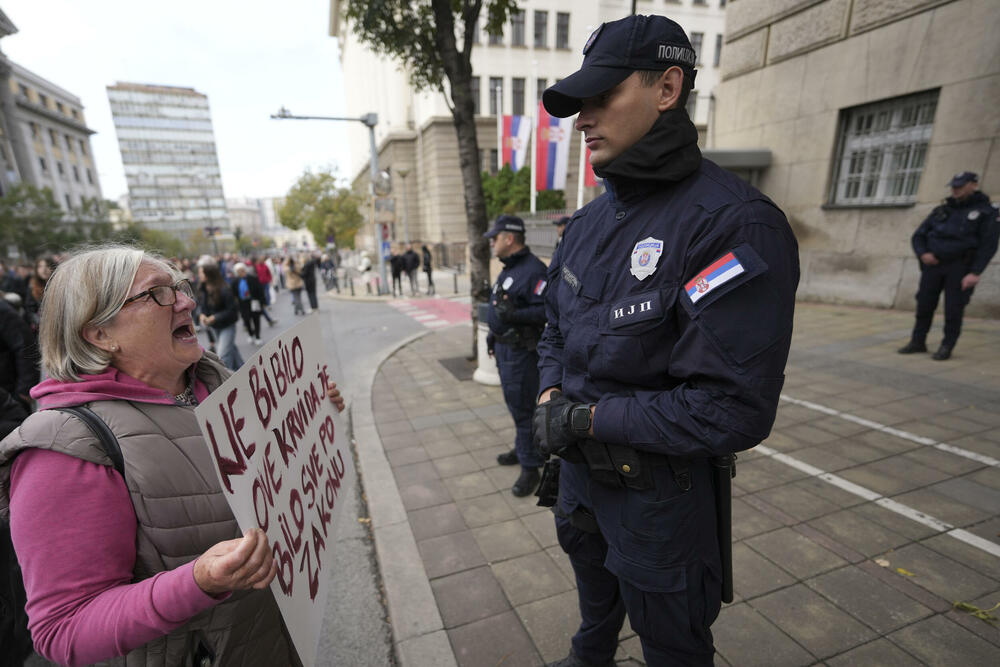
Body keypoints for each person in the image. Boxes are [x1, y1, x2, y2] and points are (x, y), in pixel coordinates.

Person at [533, 15, 799, 666]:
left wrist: (588, 416)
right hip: (578, 485)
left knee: (674, 646)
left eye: (602, 97)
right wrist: (547, 394)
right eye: (579, 104)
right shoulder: (588, 224)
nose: (584, 118)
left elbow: (729, 406)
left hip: (657, 505)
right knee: (595, 606)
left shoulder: (734, 223)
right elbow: (555, 327)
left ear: (667, 87)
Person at [0, 244, 346, 665]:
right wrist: (196, 582)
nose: (187, 300)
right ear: (99, 333)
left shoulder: (211, 377)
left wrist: (308, 410)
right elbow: (63, 629)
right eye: (158, 293)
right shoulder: (63, 450)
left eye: (179, 286)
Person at [898, 171, 998, 360]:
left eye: (960, 185)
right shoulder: (942, 210)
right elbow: (918, 236)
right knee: (924, 305)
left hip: (961, 267)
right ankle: (918, 341)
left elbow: (989, 245)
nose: (955, 189)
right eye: (953, 185)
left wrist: (976, 272)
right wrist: (923, 253)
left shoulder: (987, 212)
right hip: (933, 266)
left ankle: (947, 346)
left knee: (954, 309)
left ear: (973, 185)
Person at [484, 215, 549, 497]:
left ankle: (530, 467)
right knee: (516, 408)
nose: (491, 243)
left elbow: (546, 311)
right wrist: (491, 335)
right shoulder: (509, 268)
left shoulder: (533, 270)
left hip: (521, 353)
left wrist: (514, 315)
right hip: (504, 350)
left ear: (509, 239)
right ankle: (524, 447)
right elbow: (499, 304)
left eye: (494, 238)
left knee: (524, 410)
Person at [197, 260, 244, 371]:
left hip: (227, 326)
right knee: (231, 351)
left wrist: (215, 317)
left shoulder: (224, 289)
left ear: (209, 274)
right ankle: (244, 371)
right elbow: (202, 307)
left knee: (223, 355)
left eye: (201, 273)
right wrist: (202, 315)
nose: (199, 275)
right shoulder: (203, 288)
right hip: (215, 327)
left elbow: (232, 311)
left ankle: (227, 383)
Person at [231, 263, 265, 346]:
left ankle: (257, 336)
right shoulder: (235, 281)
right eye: (239, 271)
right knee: (246, 320)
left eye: (242, 270)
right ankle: (251, 334)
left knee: (256, 319)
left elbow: (260, 290)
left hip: (254, 302)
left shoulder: (252, 278)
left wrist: (262, 302)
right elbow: (233, 294)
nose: (241, 272)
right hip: (243, 304)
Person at [251, 255, 277, 327]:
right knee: (255, 311)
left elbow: (268, 273)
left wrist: (269, 279)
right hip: (254, 294)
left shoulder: (263, 266)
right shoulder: (254, 269)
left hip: (263, 285)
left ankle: (269, 319)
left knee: (261, 307)